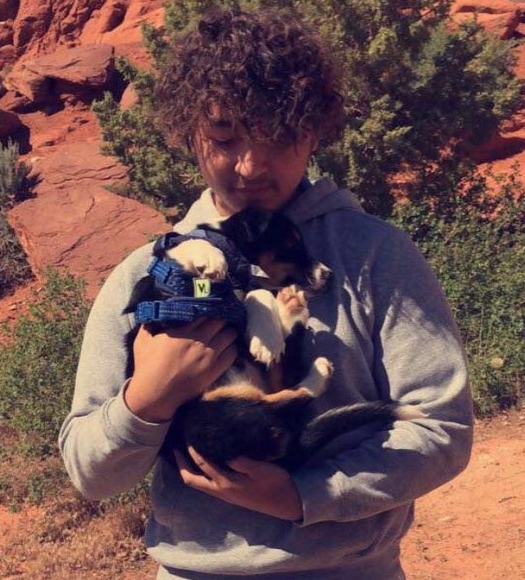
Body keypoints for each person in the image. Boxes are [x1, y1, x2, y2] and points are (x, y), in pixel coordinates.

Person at [59, 7, 473, 580]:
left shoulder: (374, 254)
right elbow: (90, 473)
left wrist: (307, 494)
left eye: (277, 136)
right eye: (224, 136)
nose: (251, 165)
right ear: (190, 133)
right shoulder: (148, 277)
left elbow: (441, 429)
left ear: (314, 129)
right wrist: (147, 399)